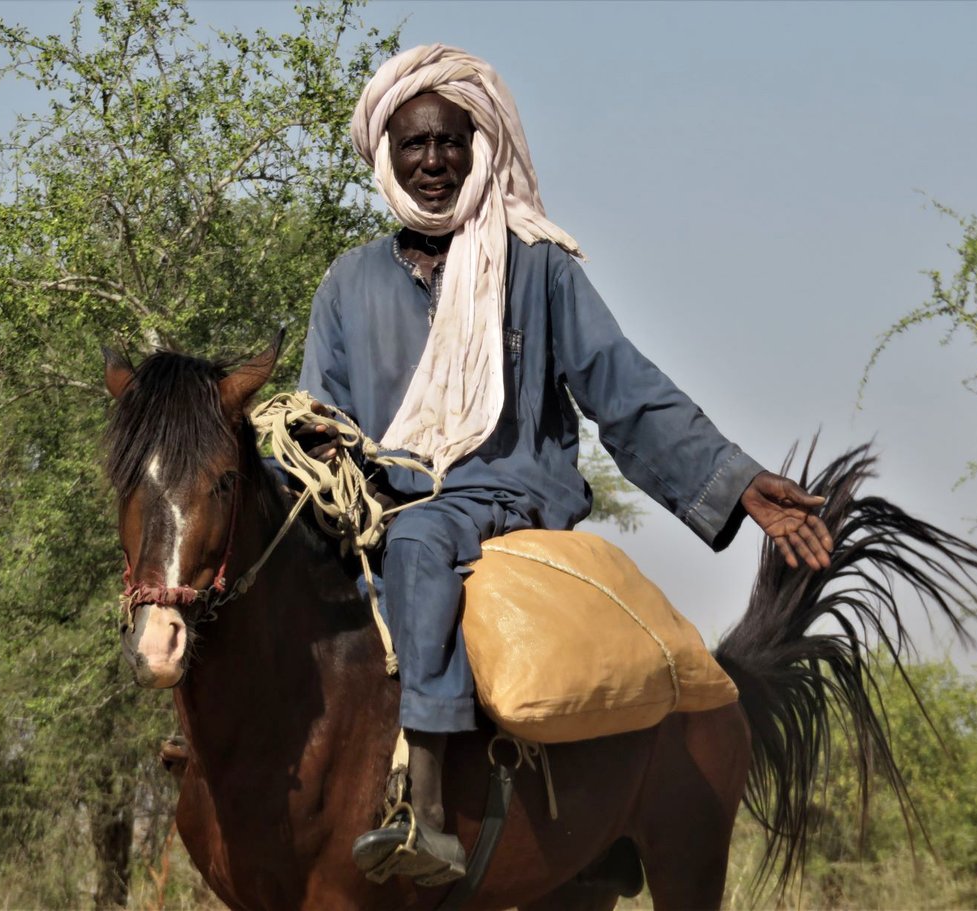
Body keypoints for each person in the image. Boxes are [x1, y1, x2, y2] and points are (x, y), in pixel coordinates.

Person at [296, 44, 834, 885]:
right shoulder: (347, 283)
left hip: (500, 496)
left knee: (422, 541)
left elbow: (622, 389)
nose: (433, 161)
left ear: (484, 148)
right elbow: (318, 414)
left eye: (451, 141)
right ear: (386, 156)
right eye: (414, 144)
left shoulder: (537, 266)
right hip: (376, 505)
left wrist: (737, 482)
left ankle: (426, 809)